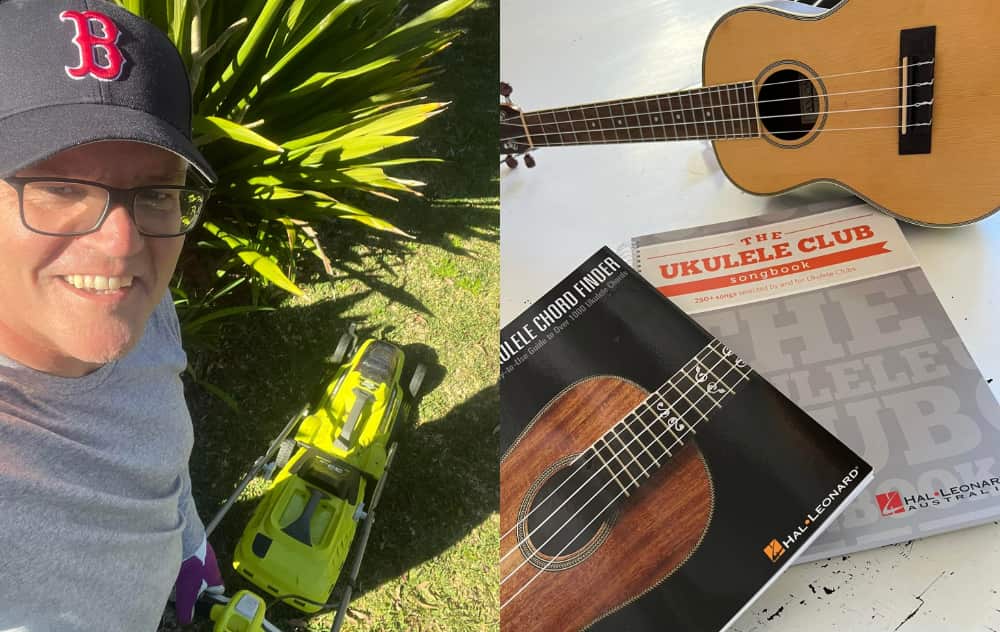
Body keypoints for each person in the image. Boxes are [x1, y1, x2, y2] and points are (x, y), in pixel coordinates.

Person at [0, 0, 225, 629]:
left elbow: (161, 447)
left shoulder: (137, 307)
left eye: (155, 192)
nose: (123, 245)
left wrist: (186, 540)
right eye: (59, 187)